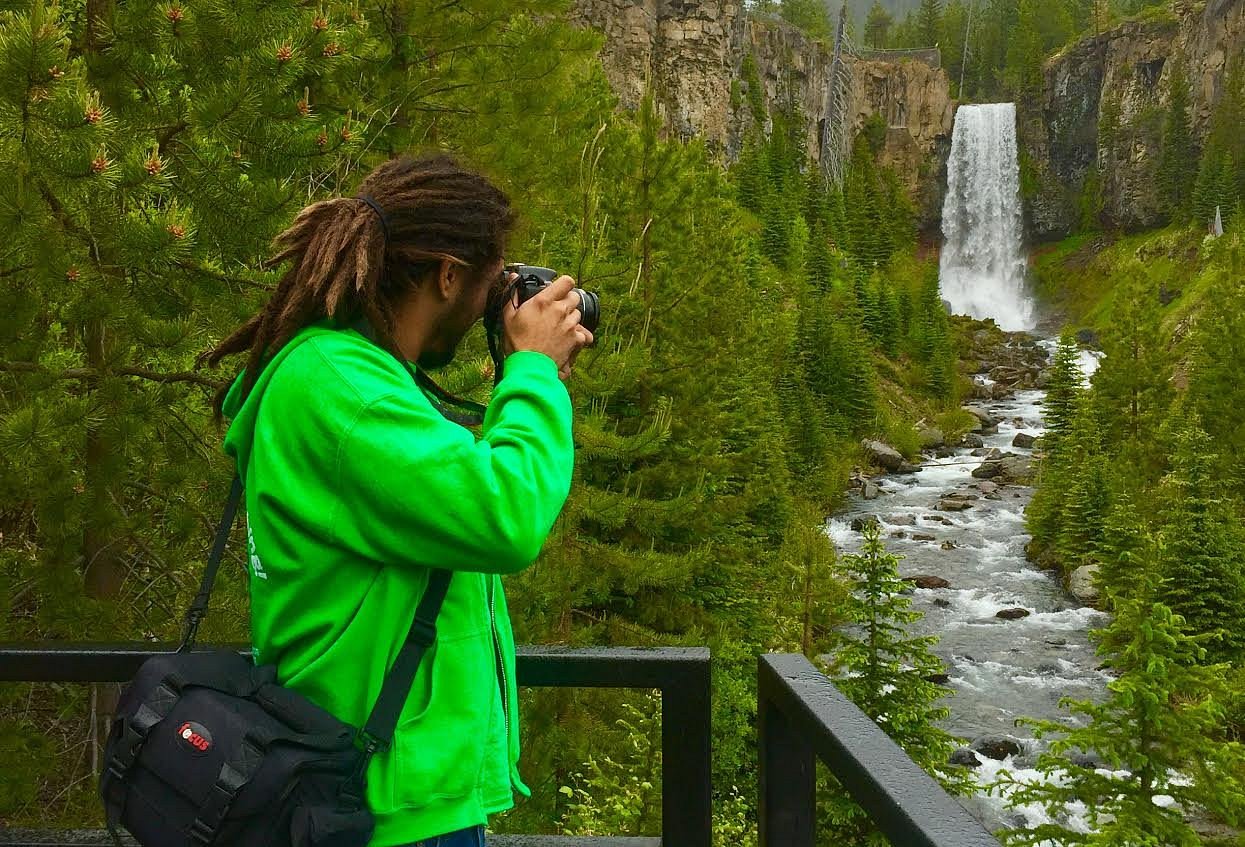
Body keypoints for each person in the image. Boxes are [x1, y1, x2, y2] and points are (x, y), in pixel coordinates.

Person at [201, 154, 592, 847]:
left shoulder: (361, 376)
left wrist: (528, 378)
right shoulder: (339, 389)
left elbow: (456, 483)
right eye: (488, 282)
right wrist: (530, 369)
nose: (489, 303)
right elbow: (504, 515)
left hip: (382, 784)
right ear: (446, 275)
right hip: (380, 802)